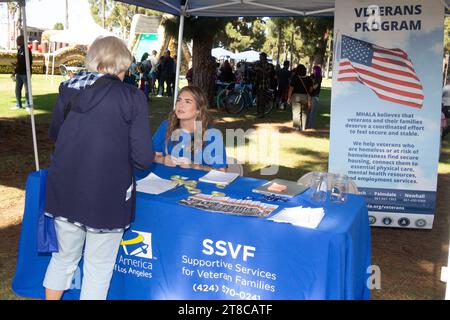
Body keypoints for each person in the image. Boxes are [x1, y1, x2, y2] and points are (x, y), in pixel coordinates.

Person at [43, 36, 154, 300]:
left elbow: (56, 134)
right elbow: (143, 158)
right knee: (98, 267)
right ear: (122, 63)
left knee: (63, 258)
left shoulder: (68, 87)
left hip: (65, 188)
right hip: (107, 194)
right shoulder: (131, 96)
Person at [152, 86, 227, 171]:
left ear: (198, 110)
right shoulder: (166, 126)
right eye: (179, 100)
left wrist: (195, 166)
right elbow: (150, 155)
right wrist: (162, 160)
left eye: (188, 102)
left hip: (199, 183)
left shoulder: (211, 134)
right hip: (165, 181)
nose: (180, 105)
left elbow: (221, 171)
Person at [288, 64, 313, 131]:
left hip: (296, 96)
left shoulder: (295, 77)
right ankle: (303, 127)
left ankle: (297, 127)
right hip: (305, 97)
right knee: (304, 112)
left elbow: (291, 88)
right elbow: (311, 89)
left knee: (296, 112)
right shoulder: (308, 78)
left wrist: (288, 97)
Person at [11, 35, 33, 112]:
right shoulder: (19, 49)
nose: (16, 41)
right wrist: (16, 66)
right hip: (19, 73)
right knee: (17, 90)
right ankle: (18, 105)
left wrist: (20, 65)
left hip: (25, 73)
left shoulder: (27, 49)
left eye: (18, 40)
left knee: (27, 90)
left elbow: (29, 62)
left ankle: (27, 105)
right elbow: (19, 61)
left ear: (22, 40)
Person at [253, 52, 271, 118]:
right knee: (258, 99)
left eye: (261, 57)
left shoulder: (268, 65)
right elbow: (254, 69)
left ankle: (262, 113)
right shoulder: (258, 63)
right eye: (259, 57)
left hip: (264, 85)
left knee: (262, 99)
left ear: (264, 57)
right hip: (257, 83)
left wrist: (260, 69)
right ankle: (258, 112)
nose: (260, 58)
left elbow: (268, 73)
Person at [306, 65, 323, 129]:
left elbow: (316, 86)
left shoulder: (319, 77)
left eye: (314, 69)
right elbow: (308, 84)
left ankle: (311, 126)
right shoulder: (311, 76)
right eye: (313, 69)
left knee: (313, 112)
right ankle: (307, 124)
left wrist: (311, 87)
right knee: (308, 111)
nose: (313, 70)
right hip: (309, 95)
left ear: (317, 70)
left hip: (315, 96)